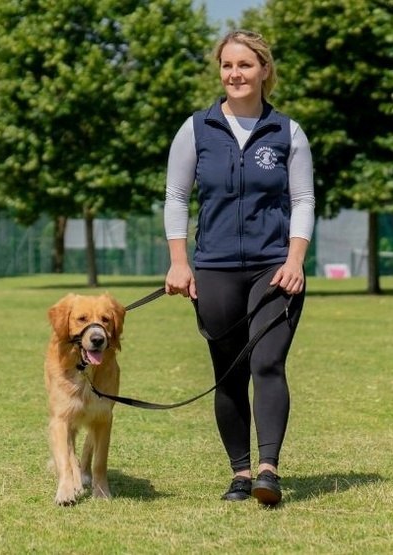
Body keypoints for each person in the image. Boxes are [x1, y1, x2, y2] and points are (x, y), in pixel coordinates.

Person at [163, 30, 315, 506]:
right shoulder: (196, 128)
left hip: (275, 268)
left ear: (265, 70)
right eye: (227, 65)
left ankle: (269, 471)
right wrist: (179, 263)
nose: (235, 74)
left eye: (245, 65)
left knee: (268, 362)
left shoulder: (287, 132)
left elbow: (303, 198)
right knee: (229, 372)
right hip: (214, 267)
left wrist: (295, 259)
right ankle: (241, 474)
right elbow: (177, 197)